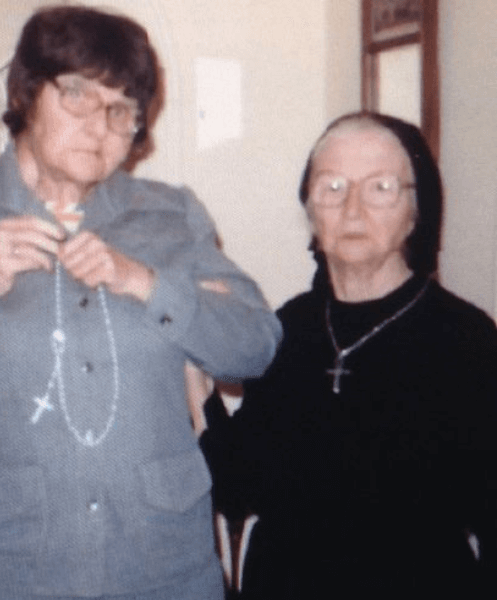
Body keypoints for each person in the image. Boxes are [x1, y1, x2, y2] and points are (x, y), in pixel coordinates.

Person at [0, 6, 281, 599]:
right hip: (13, 569)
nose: (100, 125)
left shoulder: (170, 217)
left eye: (122, 110)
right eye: (78, 95)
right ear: (27, 93)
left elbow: (254, 348)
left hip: (160, 565)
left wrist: (146, 281)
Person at [200, 112, 497, 599]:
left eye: (380, 187)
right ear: (310, 211)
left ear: (416, 211)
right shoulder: (286, 328)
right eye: (332, 187)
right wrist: (202, 379)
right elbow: (238, 483)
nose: (353, 210)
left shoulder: (465, 340)